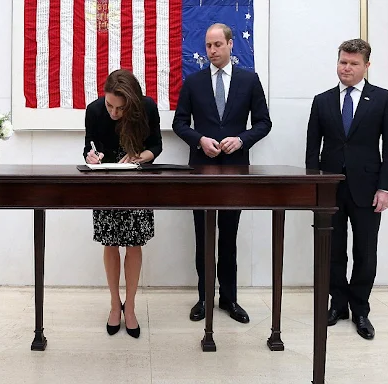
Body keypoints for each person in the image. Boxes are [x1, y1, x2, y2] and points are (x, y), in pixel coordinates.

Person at [172, 23, 272, 324]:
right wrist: (199, 140)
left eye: (217, 45)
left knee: (229, 237)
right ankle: (204, 298)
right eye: (208, 46)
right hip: (200, 170)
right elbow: (180, 123)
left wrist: (241, 139)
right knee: (203, 235)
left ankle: (229, 298)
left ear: (230, 45)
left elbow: (263, 123)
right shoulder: (193, 82)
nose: (212, 51)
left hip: (235, 171)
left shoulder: (249, 80)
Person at [305, 39, 388, 340]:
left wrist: (386, 188)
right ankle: (338, 304)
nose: (346, 68)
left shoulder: (384, 99)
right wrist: (314, 186)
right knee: (332, 251)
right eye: (342, 62)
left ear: (366, 66)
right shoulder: (322, 100)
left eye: (353, 63)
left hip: (368, 188)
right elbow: (312, 149)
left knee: (364, 251)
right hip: (330, 188)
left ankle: (360, 308)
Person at [83, 69, 162, 338]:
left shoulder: (147, 107)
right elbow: (87, 149)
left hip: (136, 182)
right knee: (110, 242)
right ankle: (115, 304)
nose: (114, 113)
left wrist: (140, 157)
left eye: (120, 108)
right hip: (106, 184)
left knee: (134, 243)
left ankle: (131, 307)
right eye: (110, 106)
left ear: (132, 102)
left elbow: (157, 146)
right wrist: (91, 157)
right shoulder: (94, 111)